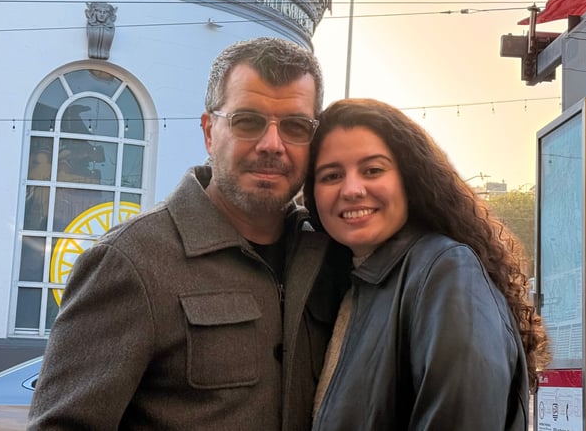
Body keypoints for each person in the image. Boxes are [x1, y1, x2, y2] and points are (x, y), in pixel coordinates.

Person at [28, 37, 348, 431]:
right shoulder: (130, 261)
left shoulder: (330, 255)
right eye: (248, 121)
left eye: (296, 127)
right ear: (209, 131)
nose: (272, 145)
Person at [303, 98, 551, 430]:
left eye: (373, 170)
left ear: (410, 178)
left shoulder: (446, 272)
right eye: (331, 175)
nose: (352, 189)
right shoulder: (355, 284)